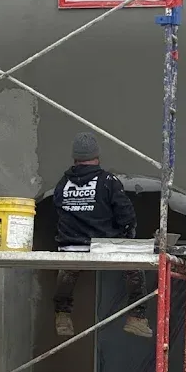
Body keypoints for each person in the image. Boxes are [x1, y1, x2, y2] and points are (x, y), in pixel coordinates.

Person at [53, 131, 152, 339]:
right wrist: (127, 234)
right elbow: (126, 214)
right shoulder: (108, 181)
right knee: (134, 267)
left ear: (75, 158)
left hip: (70, 246)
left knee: (68, 271)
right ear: (97, 156)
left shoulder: (63, 183)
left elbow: (60, 211)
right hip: (104, 246)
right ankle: (137, 317)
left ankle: (62, 315)